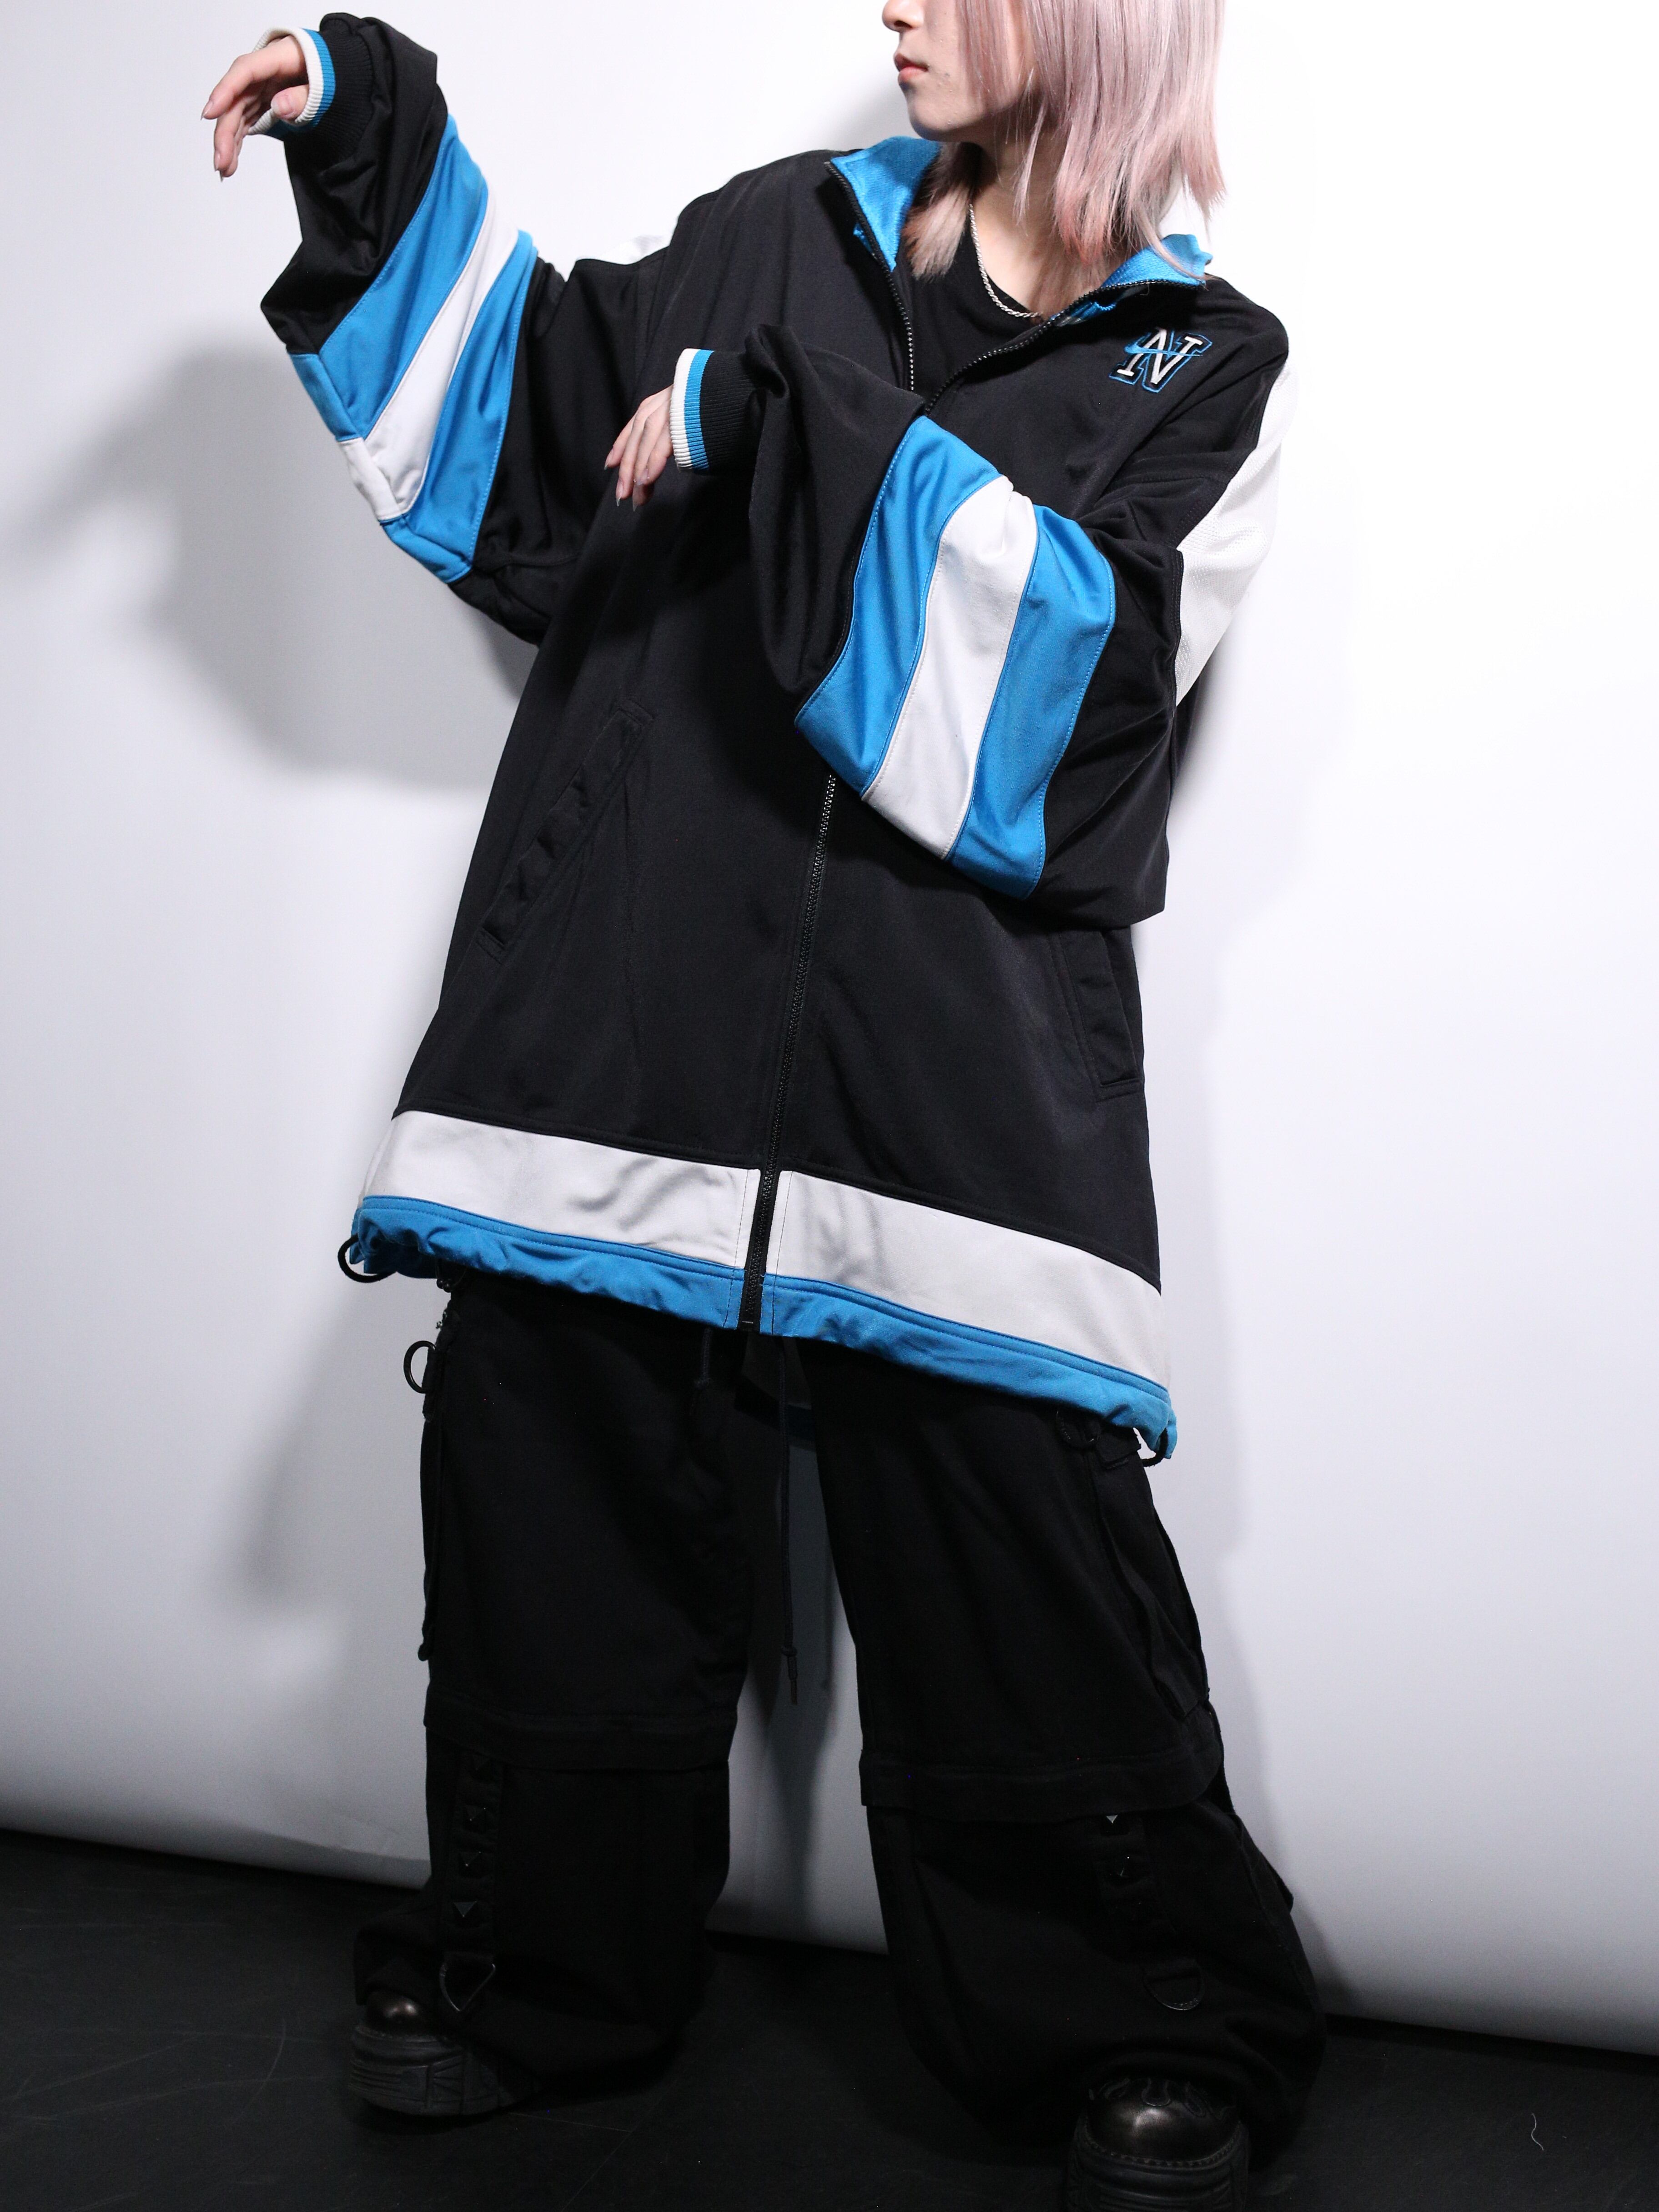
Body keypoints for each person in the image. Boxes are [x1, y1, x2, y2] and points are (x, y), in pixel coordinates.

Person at [204, 4, 1322, 2202]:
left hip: (952, 1117)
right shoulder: (760, 239)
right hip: (617, 1036)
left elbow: (1068, 708)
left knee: (1019, 1590)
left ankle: (1143, 2011)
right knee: (550, 1520)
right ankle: (535, 1970)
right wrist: (371, 135)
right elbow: (535, 459)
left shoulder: (1197, 366)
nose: (893, 6)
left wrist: (785, 423)